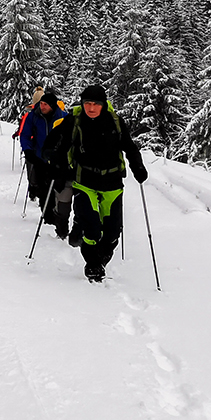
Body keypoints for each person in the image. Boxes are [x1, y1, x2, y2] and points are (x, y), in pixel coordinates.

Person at [43, 82, 147, 283]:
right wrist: (52, 158)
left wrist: (138, 167)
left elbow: (129, 146)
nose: (91, 108)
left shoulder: (115, 121)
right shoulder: (74, 120)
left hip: (112, 184)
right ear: (82, 103)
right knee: (91, 228)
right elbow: (56, 142)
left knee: (112, 233)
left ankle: (100, 259)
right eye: (87, 103)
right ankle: (92, 264)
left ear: (103, 104)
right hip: (84, 182)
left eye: (96, 104)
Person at [18, 88, 61, 205]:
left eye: (45, 104)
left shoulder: (62, 116)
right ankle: (46, 214)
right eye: (41, 103)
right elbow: (25, 134)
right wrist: (27, 150)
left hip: (57, 160)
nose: (42, 106)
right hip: (38, 157)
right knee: (41, 188)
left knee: (55, 190)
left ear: (52, 105)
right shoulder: (33, 116)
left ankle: (54, 214)